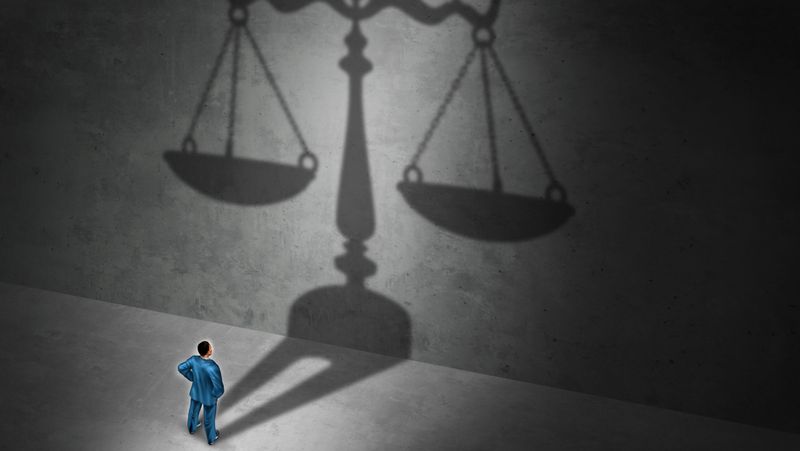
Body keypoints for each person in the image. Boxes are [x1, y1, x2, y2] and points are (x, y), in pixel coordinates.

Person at [178, 340, 225, 445]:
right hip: (209, 397)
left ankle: (192, 428)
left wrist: (192, 377)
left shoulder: (193, 360)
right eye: (210, 348)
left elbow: (181, 367)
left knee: (193, 411)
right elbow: (219, 387)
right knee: (209, 419)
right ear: (208, 352)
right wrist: (215, 395)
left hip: (196, 392)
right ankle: (211, 438)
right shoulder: (213, 367)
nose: (211, 349)